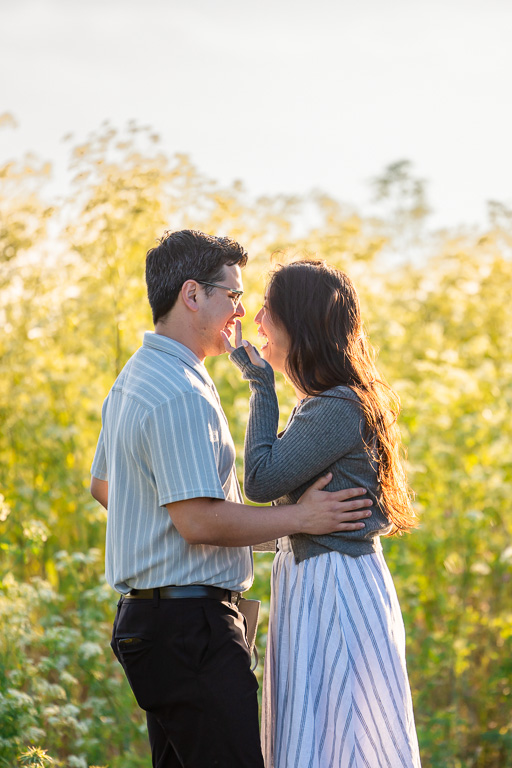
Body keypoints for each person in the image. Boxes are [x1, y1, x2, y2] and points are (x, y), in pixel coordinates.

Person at [90, 231, 374, 768]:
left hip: (158, 627)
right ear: (193, 295)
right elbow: (198, 522)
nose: (242, 311)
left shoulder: (138, 378)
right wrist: (302, 518)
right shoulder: (180, 392)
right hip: (189, 629)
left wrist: (177, 526)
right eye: (233, 295)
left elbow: (107, 488)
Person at [224, 259, 422, 768]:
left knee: (344, 739)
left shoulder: (335, 406)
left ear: (299, 321)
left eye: (268, 307)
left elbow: (263, 480)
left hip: (332, 586)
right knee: (325, 738)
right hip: (319, 581)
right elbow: (293, 510)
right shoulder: (327, 403)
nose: (257, 318)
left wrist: (260, 386)